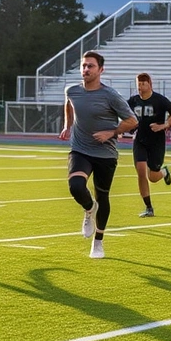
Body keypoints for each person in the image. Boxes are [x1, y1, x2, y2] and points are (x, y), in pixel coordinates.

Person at [60, 51, 138, 258]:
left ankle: (98, 242)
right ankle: (88, 209)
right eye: (84, 66)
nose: (86, 69)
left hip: (105, 154)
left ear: (101, 70)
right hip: (80, 148)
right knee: (76, 186)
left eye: (90, 66)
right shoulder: (72, 90)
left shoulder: (110, 95)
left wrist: (111, 132)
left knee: (103, 196)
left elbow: (132, 121)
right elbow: (69, 104)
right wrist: (67, 125)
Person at [127, 72, 171, 217]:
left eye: (143, 83)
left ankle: (164, 172)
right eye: (138, 83)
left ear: (150, 84)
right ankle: (149, 207)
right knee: (141, 170)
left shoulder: (160, 100)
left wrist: (164, 125)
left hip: (156, 141)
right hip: (139, 139)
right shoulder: (133, 101)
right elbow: (123, 113)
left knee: (153, 176)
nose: (140, 87)